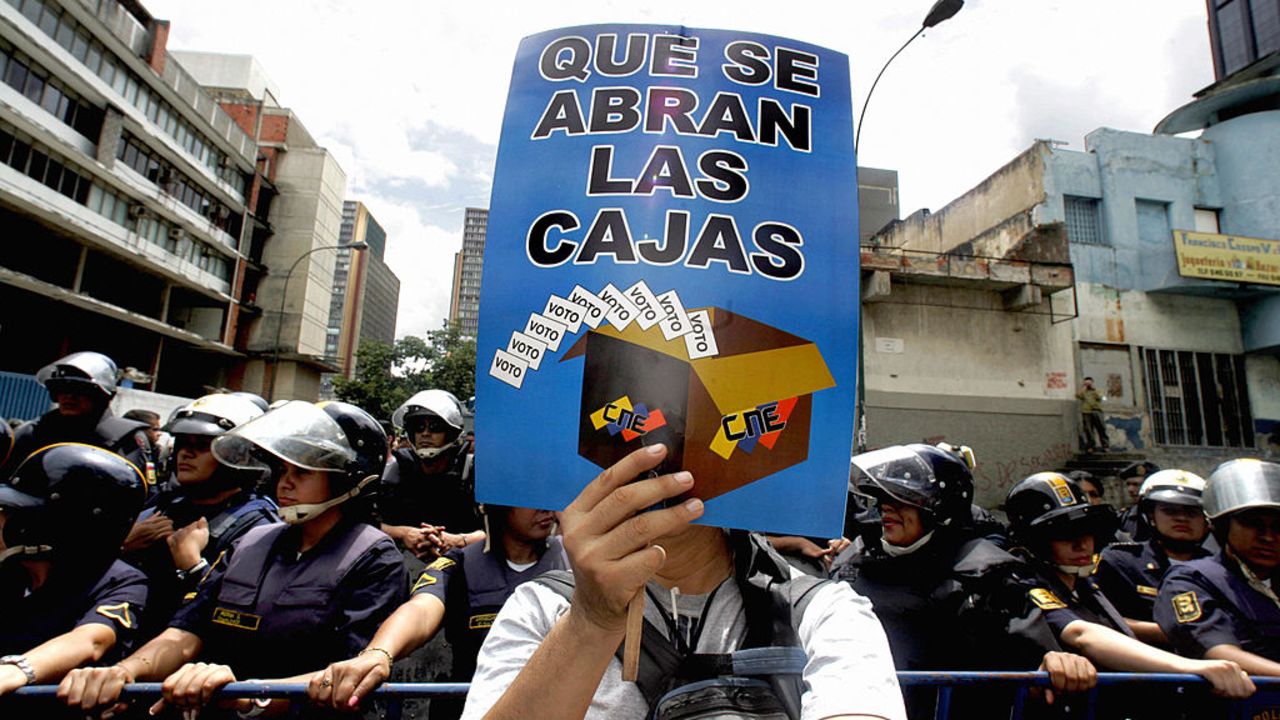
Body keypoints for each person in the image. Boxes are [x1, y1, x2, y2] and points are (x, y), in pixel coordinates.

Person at [460, 444, 907, 720]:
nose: (648, 461)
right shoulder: (540, 607)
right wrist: (591, 621)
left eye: (676, 440)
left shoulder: (824, 610)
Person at [58, 400, 408, 717]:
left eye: (301, 472)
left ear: (348, 478)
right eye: (282, 471)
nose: (284, 484)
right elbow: (184, 634)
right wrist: (125, 671)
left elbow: (350, 672)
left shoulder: (375, 559)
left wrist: (244, 697)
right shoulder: (252, 542)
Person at [831, 444, 1097, 718]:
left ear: (940, 507)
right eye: (883, 497)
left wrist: (1057, 664)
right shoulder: (854, 559)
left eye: (902, 498)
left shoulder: (987, 574)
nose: (887, 507)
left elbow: (1034, 665)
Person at [1005, 472, 1255, 706]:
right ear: (1035, 541)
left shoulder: (1084, 582)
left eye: (1087, 530)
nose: (1082, 544)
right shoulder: (1022, 580)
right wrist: (1191, 667)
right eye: (1064, 533)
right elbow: (1083, 634)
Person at [308, 505, 568, 718]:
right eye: (527, 496)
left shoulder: (576, 559)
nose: (544, 507)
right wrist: (378, 653)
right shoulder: (462, 563)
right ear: (495, 503)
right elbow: (422, 608)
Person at [122, 393, 279, 639]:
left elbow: (244, 621)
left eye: (202, 446)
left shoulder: (260, 530)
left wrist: (195, 568)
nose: (186, 454)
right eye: (183, 444)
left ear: (239, 455)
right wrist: (122, 547)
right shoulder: (159, 508)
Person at [0, 444, 148, 697]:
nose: (0, 517)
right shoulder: (12, 567)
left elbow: (90, 640)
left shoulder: (120, 581)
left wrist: (15, 670)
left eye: (11, 512)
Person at [1156, 459, 1280, 673]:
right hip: (1244, 701)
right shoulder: (1190, 580)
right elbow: (1217, 651)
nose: (1268, 537)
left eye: (1278, 527)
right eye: (1252, 524)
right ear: (1223, 527)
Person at [1096, 469, 1211, 645]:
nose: (1181, 518)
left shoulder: (1220, 569)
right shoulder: (1121, 562)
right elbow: (1100, 619)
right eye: (1170, 511)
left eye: (1191, 512)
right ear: (1151, 515)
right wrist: (1180, 634)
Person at [2, 352, 153, 480]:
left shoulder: (126, 438)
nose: (69, 396)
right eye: (62, 388)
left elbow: (138, 493)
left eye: (80, 389)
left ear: (103, 396)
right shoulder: (32, 432)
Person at [381, 390, 482, 561]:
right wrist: (404, 533)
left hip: (466, 567)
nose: (425, 433)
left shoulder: (473, 470)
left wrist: (459, 540)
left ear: (451, 432)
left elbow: (499, 528)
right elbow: (367, 523)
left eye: (435, 427)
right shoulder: (396, 469)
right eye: (418, 427)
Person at [1116, 462, 1160, 540]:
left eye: (1136, 485)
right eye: (1128, 484)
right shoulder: (1124, 518)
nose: (1130, 490)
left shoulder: (1166, 515)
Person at [1076, 377, 1109, 453]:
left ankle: (1105, 445)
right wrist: (1084, 388)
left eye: (1089, 383)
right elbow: (1078, 395)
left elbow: (1101, 397)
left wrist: (1094, 389)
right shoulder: (1084, 392)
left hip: (1097, 411)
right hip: (1086, 412)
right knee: (1088, 430)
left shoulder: (1098, 390)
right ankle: (1091, 446)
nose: (1088, 384)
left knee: (1101, 428)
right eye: (1086, 383)